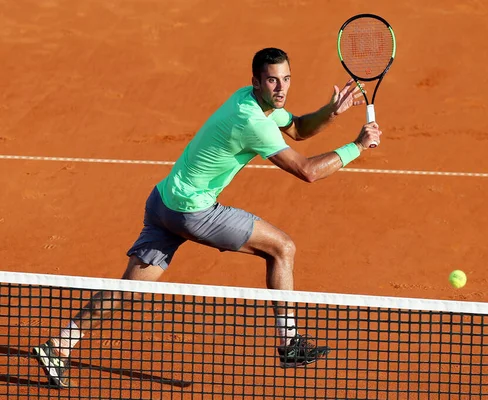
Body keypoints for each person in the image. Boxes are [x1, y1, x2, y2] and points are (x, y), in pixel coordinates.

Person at [32, 47, 383, 388]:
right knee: (282, 248)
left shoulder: (249, 100)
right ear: (257, 81)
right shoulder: (251, 122)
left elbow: (299, 128)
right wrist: (357, 145)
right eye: (273, 81)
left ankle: (59, 345)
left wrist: (331, 112)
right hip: (193, 211)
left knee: (129, 289)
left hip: (163, 203)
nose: (281, 88)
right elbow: (306, 171)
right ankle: (289, 343)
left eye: (286, 79)